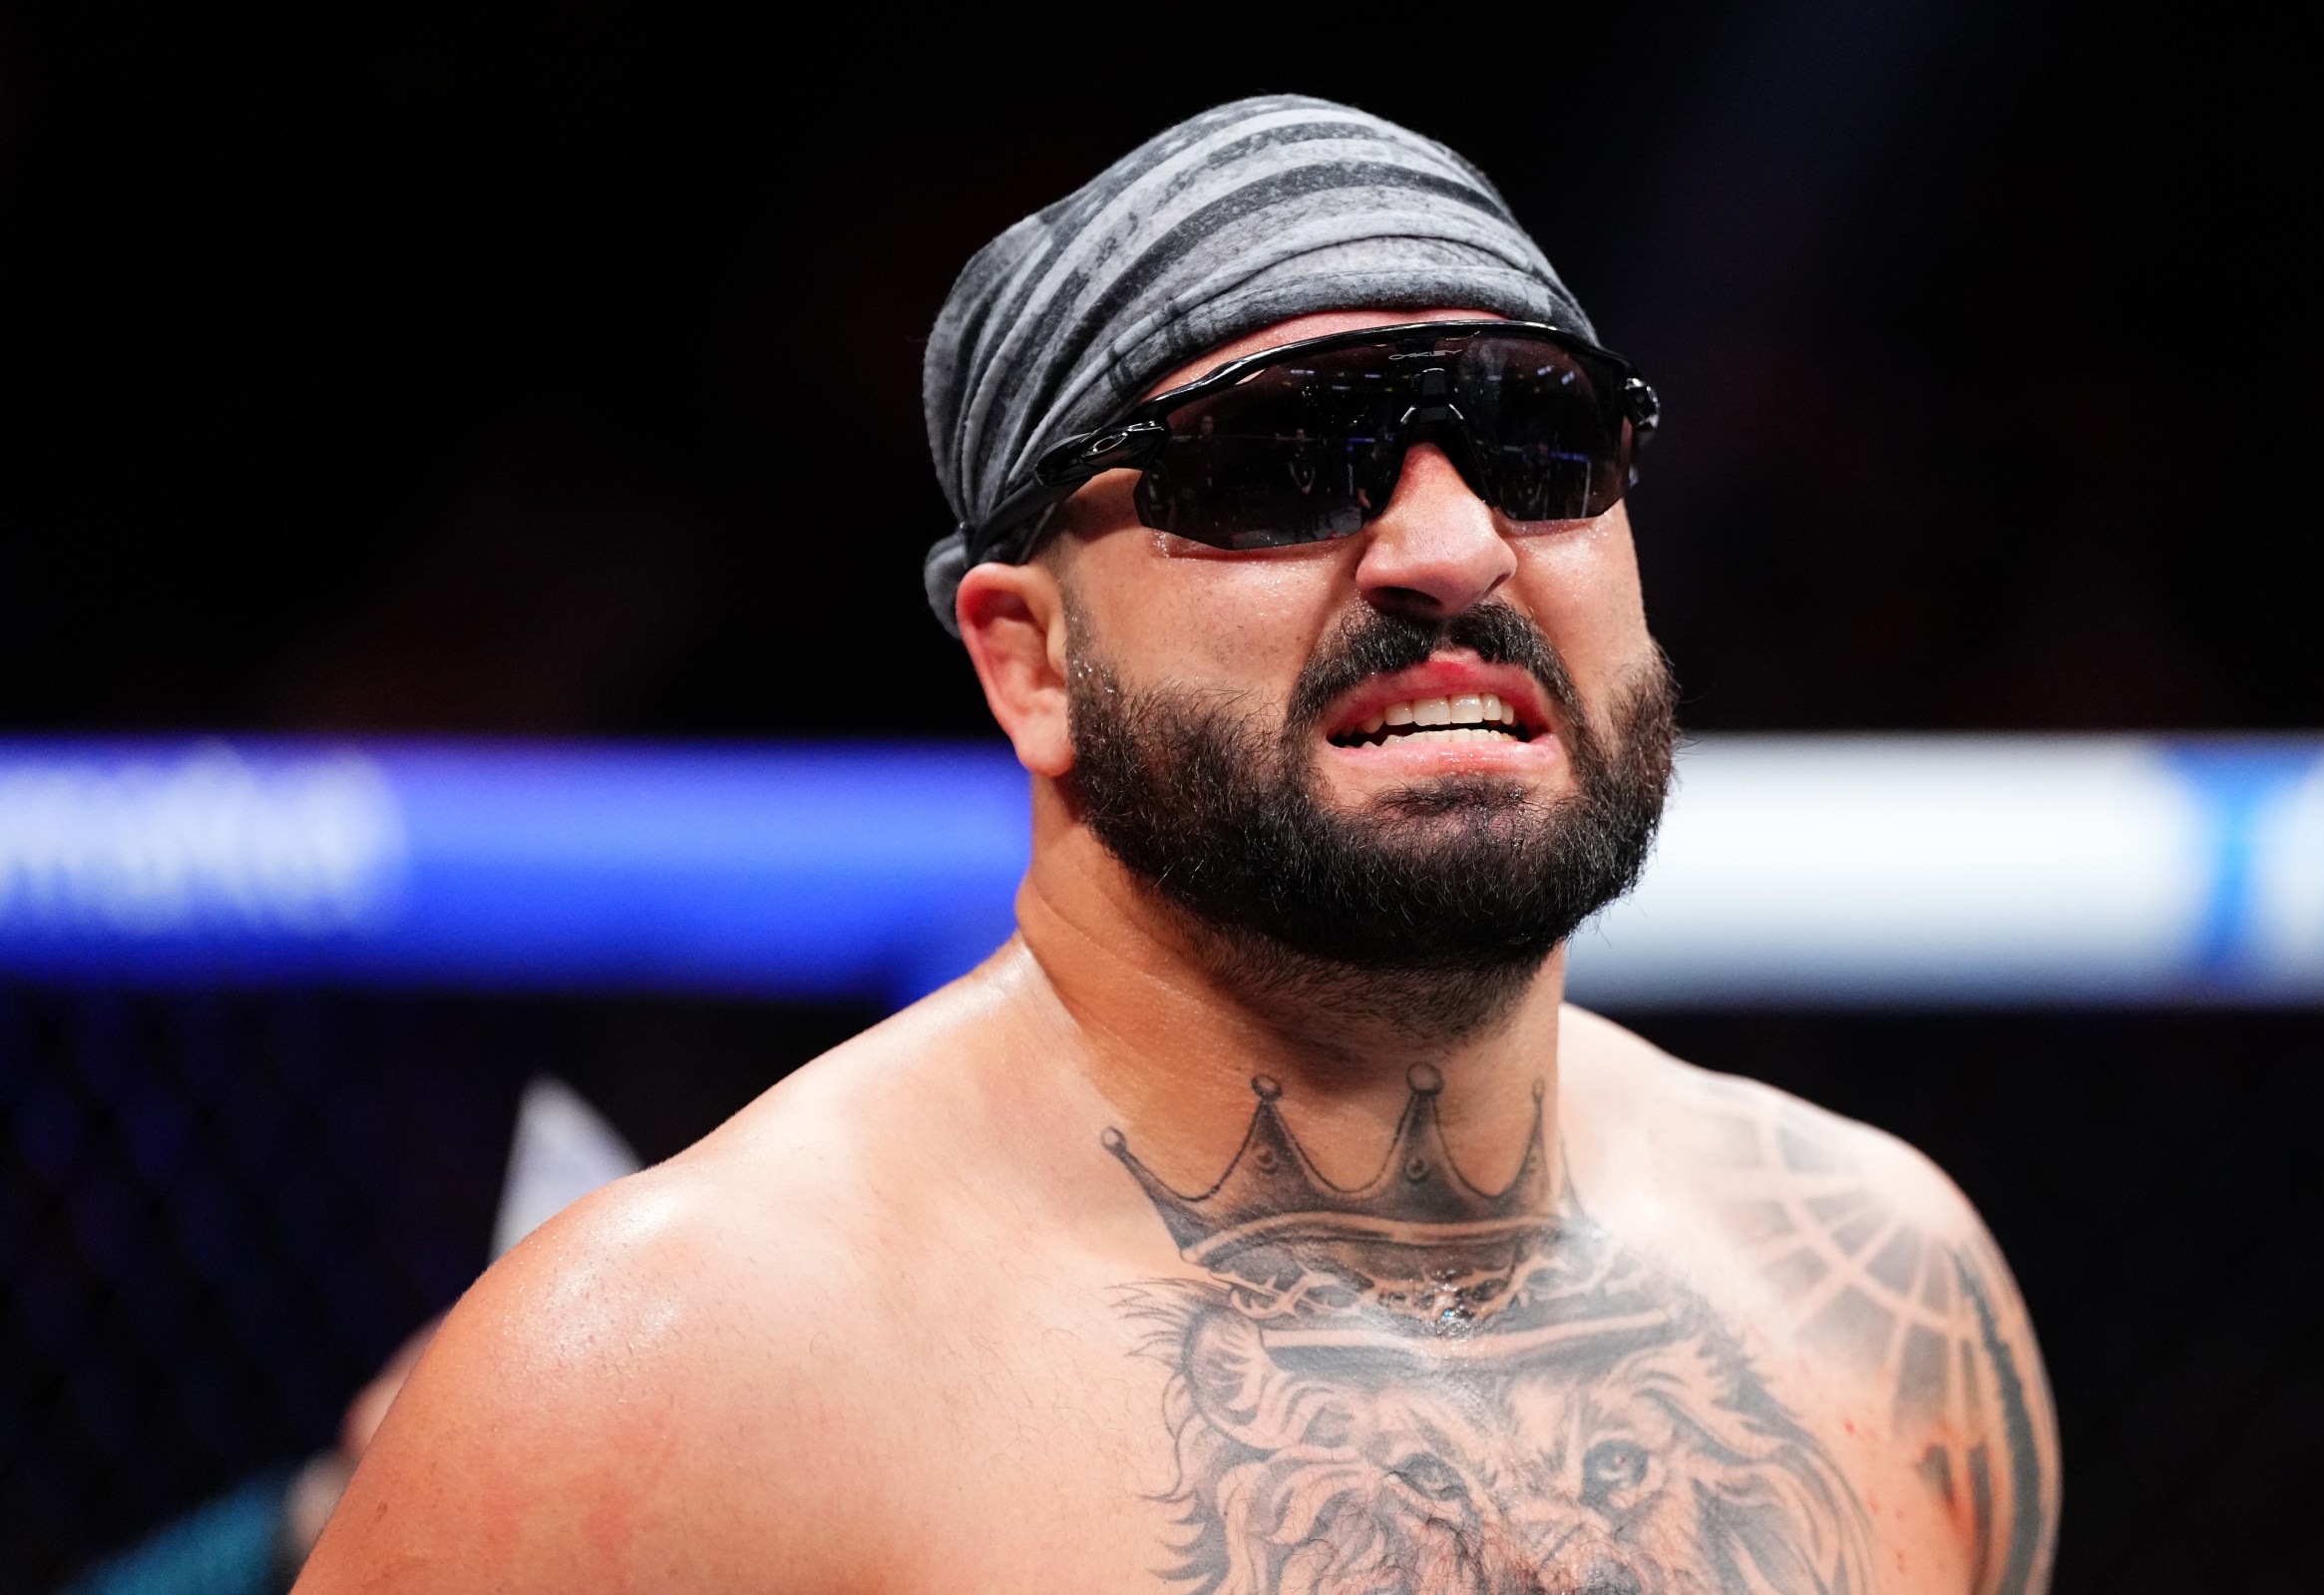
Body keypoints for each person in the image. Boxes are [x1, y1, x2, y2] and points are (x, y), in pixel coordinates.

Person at [297, 96, 2059, 1594]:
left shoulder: (1883, 1285)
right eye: (1280, 463)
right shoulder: (677, 1375)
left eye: (1539, 441)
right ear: (1032, 661)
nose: (1453, 548)